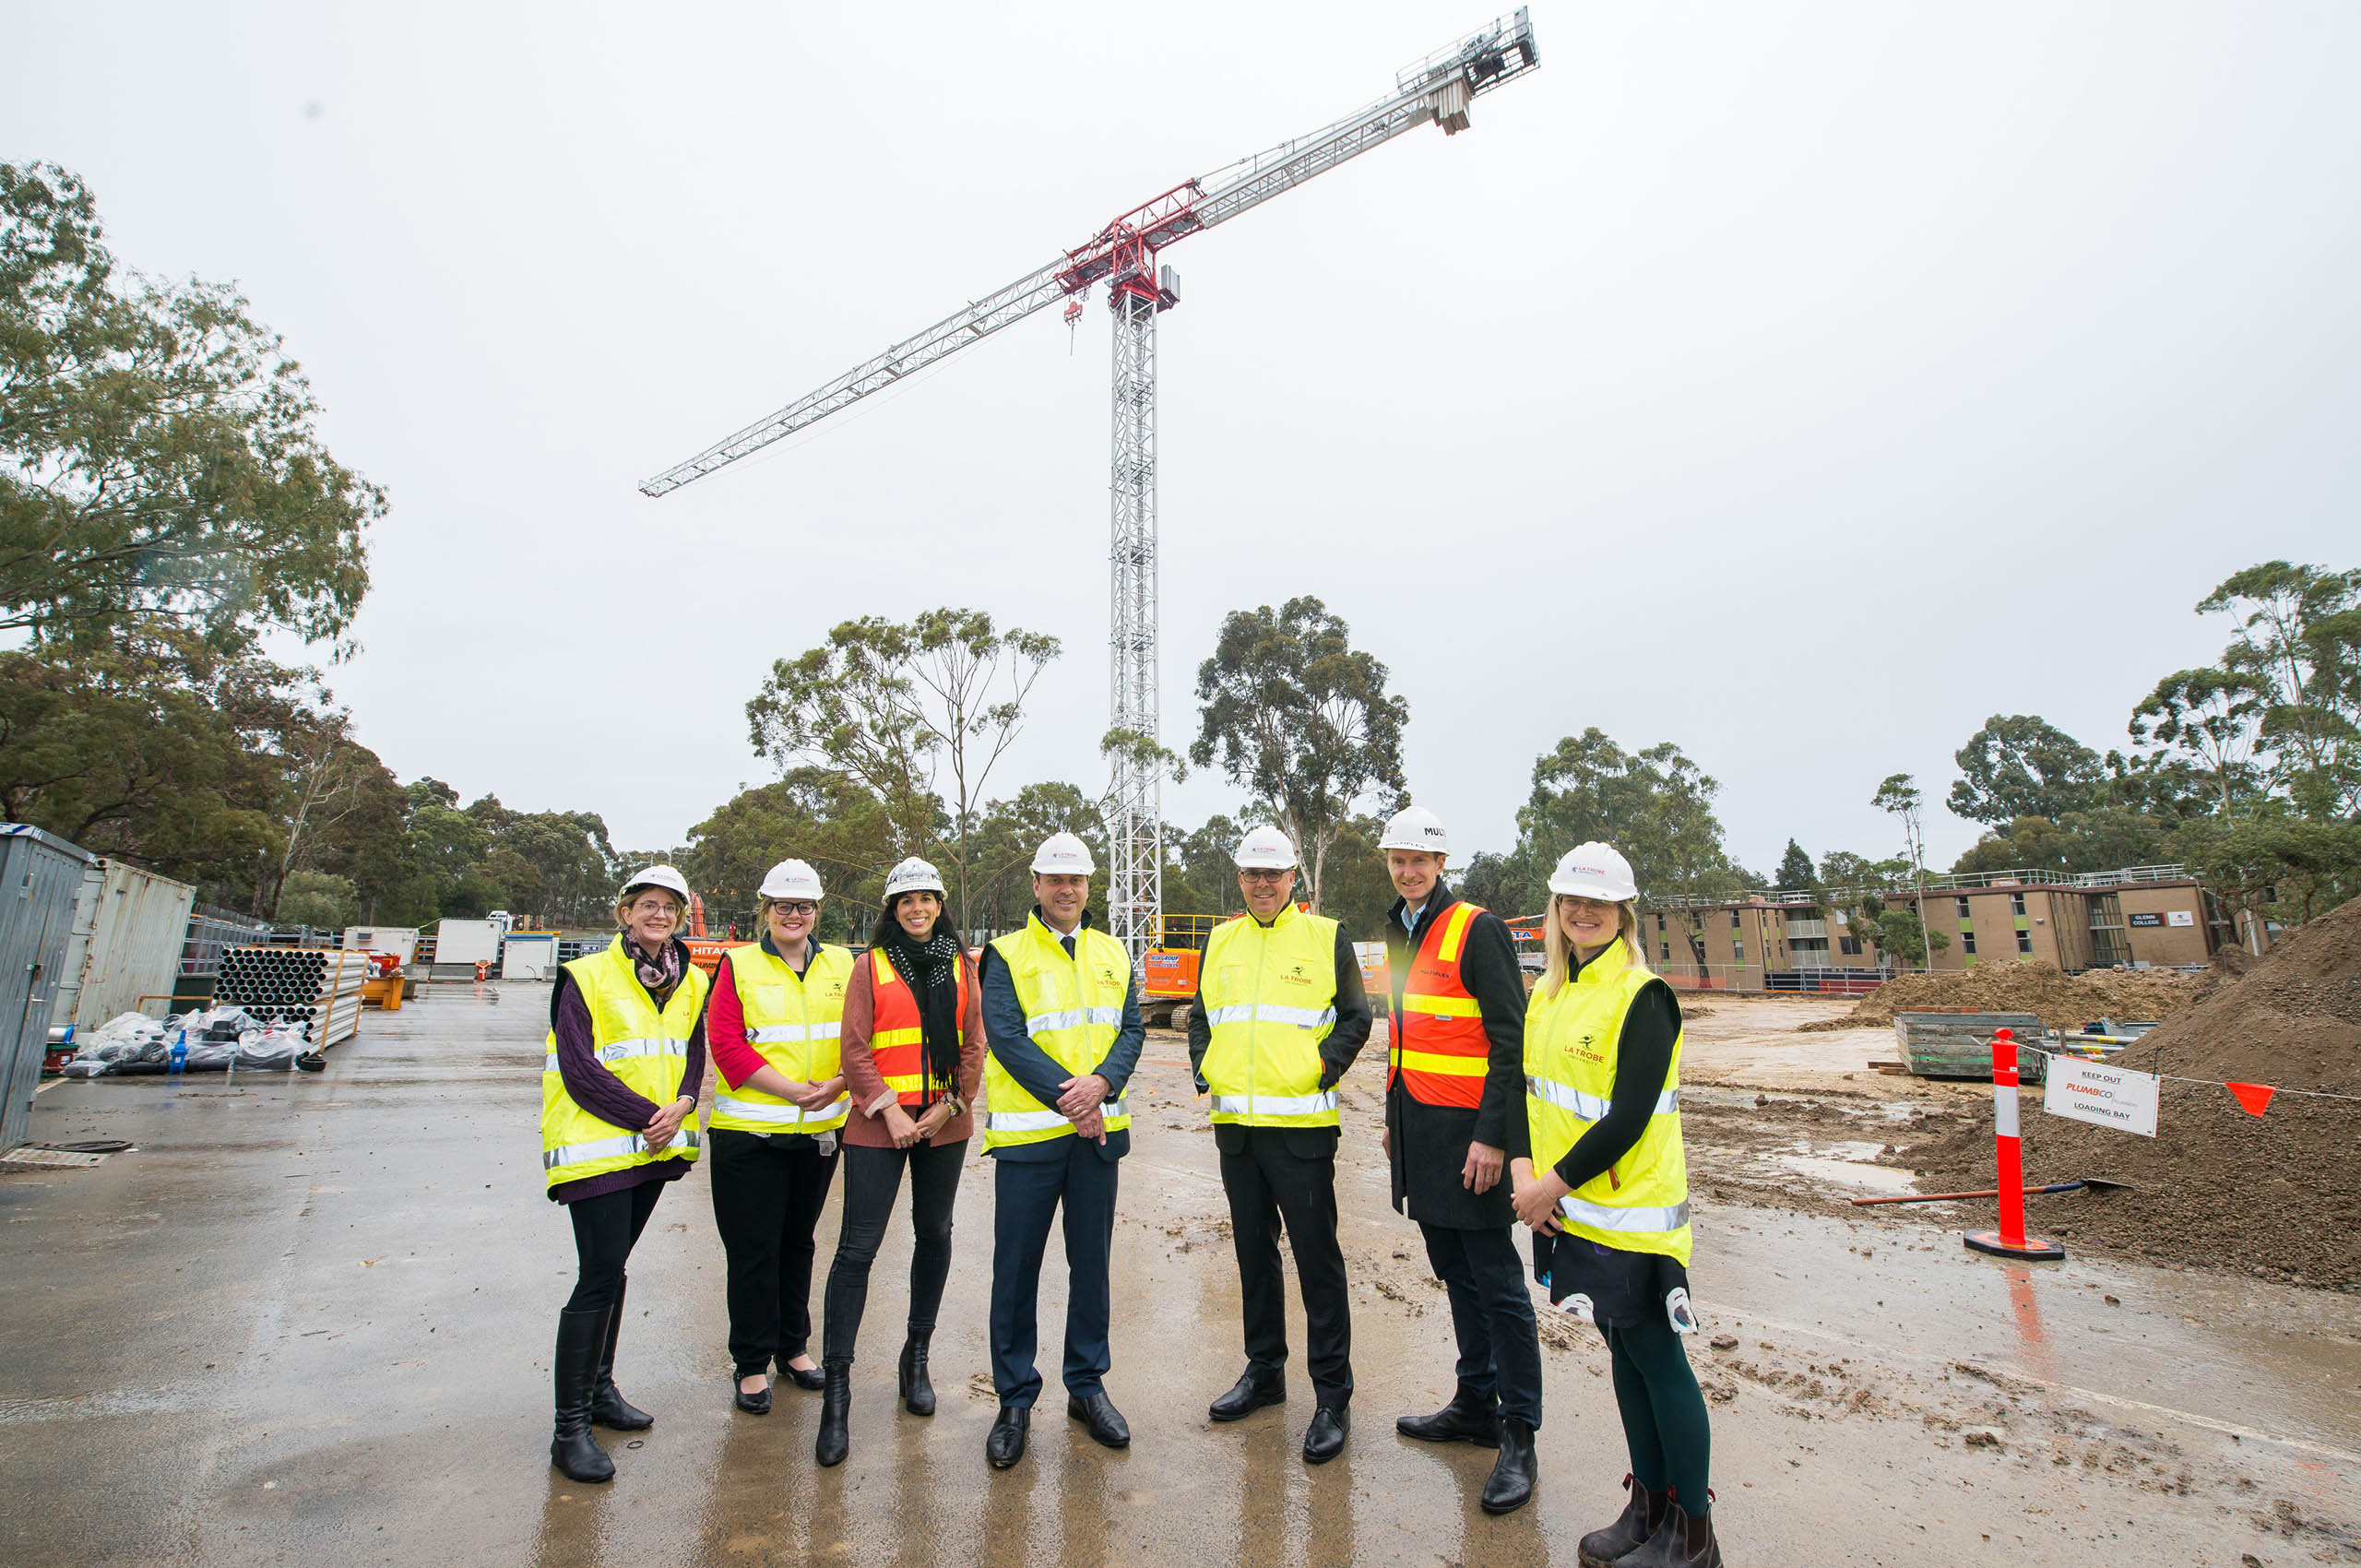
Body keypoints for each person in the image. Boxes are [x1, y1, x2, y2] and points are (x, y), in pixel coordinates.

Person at [1510, 844, 1719, 1568]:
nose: (1582, 913)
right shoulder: (1549, 992)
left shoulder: (1643, 996)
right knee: (1625, 1359)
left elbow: (1627, 1117)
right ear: (1556, 911)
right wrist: (1523, 1175)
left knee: (1659, 1361)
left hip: (1635, 1218)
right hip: (1576, 1212)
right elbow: (1526, 1090)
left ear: (1623, 912)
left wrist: (1547, 1186)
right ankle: (1648, 1510)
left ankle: (1693, 1535)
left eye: (1597, 903)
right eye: (1571, 901)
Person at [1186, 825, 1372, 1465]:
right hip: (1236, 1129)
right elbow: (1202, 1016)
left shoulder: (1326, 937)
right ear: (1240, 879)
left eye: (1274, 874)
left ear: (1295, 878)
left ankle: (1332, 1397)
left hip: (1302, 1132)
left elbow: (1357, 1017)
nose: (1263, 884)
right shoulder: (1220, 939)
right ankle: (1264, 1373)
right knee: (1253, 1257)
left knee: (1318, 1263)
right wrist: (1204, 1067)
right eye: (1252, 874)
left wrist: (1320, 1069)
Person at [1377, 804, 1544, 1515]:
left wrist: (1495, 1138)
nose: (1409, 871)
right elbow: (1405, 1034)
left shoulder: (1477, 929)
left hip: (1472, 1139)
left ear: (1442, 864)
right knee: (1456, 1275)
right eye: (1399, 860)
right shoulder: (1398, 928)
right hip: (1421, 1131)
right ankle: (1475, 1401)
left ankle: (1520, 1433)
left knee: (1498, 1283)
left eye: (1421, 860)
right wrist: (1394, 1123)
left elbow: (1513, 1042)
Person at [976, 831, 1145, 1469]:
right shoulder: (1005, 954)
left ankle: (1086, 1386)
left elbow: (1130, 1029)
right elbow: (1007, 1038)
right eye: (1055, 880)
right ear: (1038, 887)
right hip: (1031, 1144)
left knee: (1091, 1268)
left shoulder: (1112, 952)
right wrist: (1071, 1099)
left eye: (1076, 881)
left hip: (1097, 1142)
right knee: (1016, 1274)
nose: (1066, 890)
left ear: (1088, 887)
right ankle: (1015, 1399)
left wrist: (1103, 1085)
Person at [813, 857, 986, 1467]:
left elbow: (973, 1044)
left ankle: (916, 1358)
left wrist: (947, 1107)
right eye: (906, 901)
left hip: (943, 1121)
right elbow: (854, 1046)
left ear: (940, 905)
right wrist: (887, 1111)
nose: (917, 909)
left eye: (927, 899)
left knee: (934, 1234)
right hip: (878, 1121)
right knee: (858, 1249)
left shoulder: (964, 967)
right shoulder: (870, 966)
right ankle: (838, 1390)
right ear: (893, 909)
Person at [542, 865, 709, 1483]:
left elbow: (693, 1052)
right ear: (624, 913)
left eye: (668, 907)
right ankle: (569, 1429)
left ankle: (602, 1392)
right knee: (597, 1277)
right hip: (600, 1148)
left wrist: (686, 1103)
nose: (658, 914)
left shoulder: (688, 978)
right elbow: (578, 1066)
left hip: (652, 1148)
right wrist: (648, 1116)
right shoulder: (585, 976)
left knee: (613, 1271)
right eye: (646, 904)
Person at [704, 860, 854, 1420]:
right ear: (765, 911)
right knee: (753, 1251)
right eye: (784, 907)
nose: (795, 916)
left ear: (818, 911)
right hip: (751, 1135)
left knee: (800, 1243)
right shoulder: (736, 965)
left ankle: (793, 1347)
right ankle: (750, 1363)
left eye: (805, 907)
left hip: (818, 1133)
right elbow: (727, 1046)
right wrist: (793, 1091)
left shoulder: (842, 963)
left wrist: (837, 1085)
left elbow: (863, 1036)